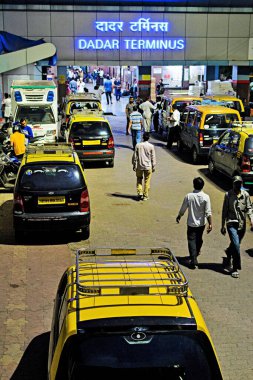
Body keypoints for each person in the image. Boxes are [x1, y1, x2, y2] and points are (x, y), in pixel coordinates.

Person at [176, 177, 212, 269]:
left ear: (194, 185)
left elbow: (183, 208)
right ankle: (195, 254)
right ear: (203, 186)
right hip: (201, 224)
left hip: (191, 223)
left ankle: (193, 259)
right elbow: (208, 212)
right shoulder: (206, 197)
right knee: (199, 239)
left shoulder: (189, 196)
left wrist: (179, 216)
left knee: (191, 240)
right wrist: (210, 224)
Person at [221, 176, 253, 278]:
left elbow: (249, 209)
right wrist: (223, 225)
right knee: (236, 245)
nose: (238, 185)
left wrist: (252, 220)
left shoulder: (246, 195)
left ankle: (229, 252)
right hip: (231, 223)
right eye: (236, 183)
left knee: (235, 244)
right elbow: (224, 211)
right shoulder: (228, 195)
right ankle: (235, 268)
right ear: (233, 184)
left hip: (241, 225)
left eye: (239, 183)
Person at [132, 132, 156, 201]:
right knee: (147, 181)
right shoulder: (151, 146)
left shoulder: (138, 145)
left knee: (139, 179)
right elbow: (153, 157)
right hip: (148, 167)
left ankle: (140, 193)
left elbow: (134, 157)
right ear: (148, 138)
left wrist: (134, 165)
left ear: (143, 137)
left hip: (139, 166)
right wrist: (153, 166)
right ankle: (145, 196)